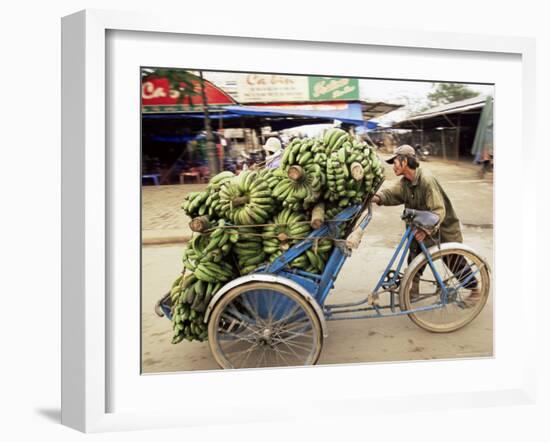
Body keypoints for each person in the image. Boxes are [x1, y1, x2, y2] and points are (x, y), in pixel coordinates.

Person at [371, 145, 480, 304]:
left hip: (442, 230)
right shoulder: (406, 182)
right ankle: (413, 289)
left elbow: (438, 211)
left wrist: (426, 230)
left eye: (395, 162)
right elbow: (392, 193)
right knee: (414, 255)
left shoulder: (426, 180)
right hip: (421, 228)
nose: (393, 166)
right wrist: (376, 198)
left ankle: (475, 290)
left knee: (454, 262)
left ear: (405, 161)